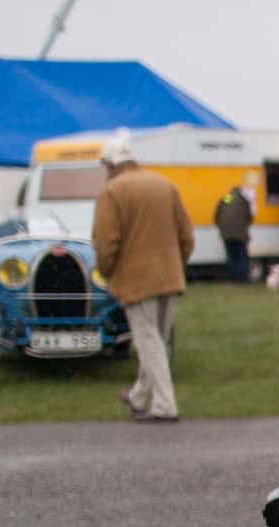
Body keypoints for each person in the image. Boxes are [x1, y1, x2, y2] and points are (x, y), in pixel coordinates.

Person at [91, 129, 194, 422]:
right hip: (171, 277)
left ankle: (164, 406)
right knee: (158, 341)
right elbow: (186, 236)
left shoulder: (111, 192)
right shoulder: (165, 185)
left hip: (136, 281)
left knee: (149, 343)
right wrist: (177, 264)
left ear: (111, 165)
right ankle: (139, 395)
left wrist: (107, 272)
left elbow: (105, 243)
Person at [213, 184, 253, 282]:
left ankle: (232, 277)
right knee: (241, 257)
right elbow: (249, 217)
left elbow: (217, 214)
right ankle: (242, 278)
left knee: (231, 257)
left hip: (227, 234)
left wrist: (221, 228)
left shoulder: (227, 198)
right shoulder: (243, 200)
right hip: (240, 235)